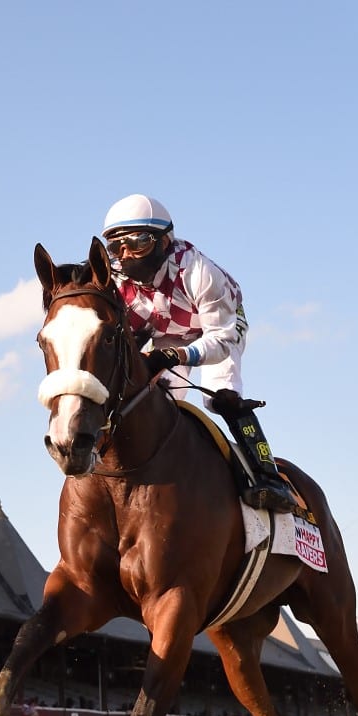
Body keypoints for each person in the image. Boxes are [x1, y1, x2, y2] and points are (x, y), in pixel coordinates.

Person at [100, 194, 296, 512]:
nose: (126, 254)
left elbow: (221, 340)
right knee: (148, 397)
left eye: (137, 242)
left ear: (164, 241)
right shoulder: (118, 280)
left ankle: (267, 476)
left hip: (217, 330)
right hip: (165, 334)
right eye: (116, 246)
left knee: (220, 397)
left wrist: (177, 356)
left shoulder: (199, 272)